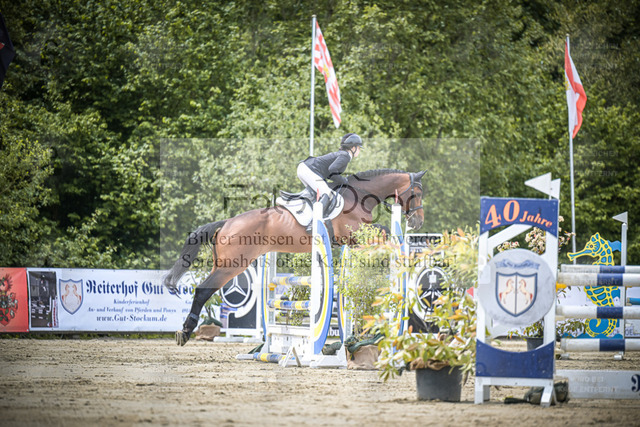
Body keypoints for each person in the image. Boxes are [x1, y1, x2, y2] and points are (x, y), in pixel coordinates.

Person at [297, 133, 363, 217]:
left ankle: (305, 216)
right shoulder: (345, 156)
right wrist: (343, 180)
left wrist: (341, 180)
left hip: (305, 168)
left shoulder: (342, 154)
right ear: (353, 148)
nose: (359, 150)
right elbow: (332, 169)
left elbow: (330, 173)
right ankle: (316, 220)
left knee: (316, 195)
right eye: (359, 148)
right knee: (327, 194)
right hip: (308, 170)